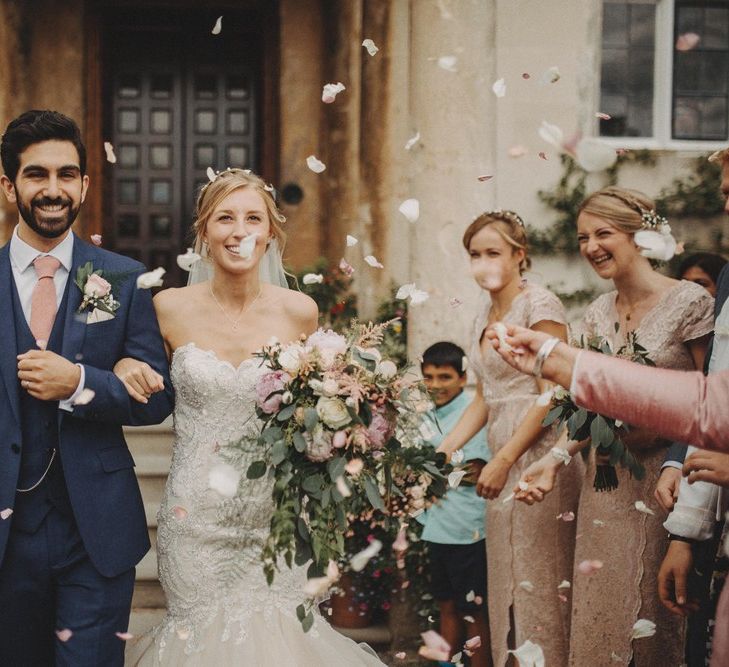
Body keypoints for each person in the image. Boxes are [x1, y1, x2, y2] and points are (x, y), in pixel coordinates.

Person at [120, 168, 384, 665]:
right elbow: (137, 368)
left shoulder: (300, 312)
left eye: (252, 218)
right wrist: (124, 362)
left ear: (269, 234)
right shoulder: (167, 307)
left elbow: (317, 404)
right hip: (195, 515)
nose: (238, 231)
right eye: (224, 218)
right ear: (204, 232)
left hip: (276, 515)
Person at [0, 110, 174, 665]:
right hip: (7, 539)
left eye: (67, 175)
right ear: (9, 186)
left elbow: (159, 399)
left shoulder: (121, 278)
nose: (53, 190)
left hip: (94, 533)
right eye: (36, 175)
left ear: (84, 185)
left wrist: (80, 382)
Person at [528, 186, 714, 666]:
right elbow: (585, 401)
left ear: (641, 236)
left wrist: (666, 443)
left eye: (603, 233)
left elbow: (710, 401)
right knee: (597, 616)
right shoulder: (595, 312)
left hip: (662, 484)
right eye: (583, 237)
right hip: (603, 486)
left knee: (651, 621)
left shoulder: (691, 302)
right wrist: (553, 459)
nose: (591, 246)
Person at [437, 210, 580, 667]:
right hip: (502, 457)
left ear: (520, 255)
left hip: (539, 458)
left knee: (540, 588)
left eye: (493, 252)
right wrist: (442, 452)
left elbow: (554, 393)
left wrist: (503, 461)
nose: (483, 263)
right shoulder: (482, 311)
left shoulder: (540, 306)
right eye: (474, 254)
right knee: (508, 590)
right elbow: (486, 396)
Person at [418, 341, 492, 667]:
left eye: (444, 377)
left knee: (472, 610)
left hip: (467, 528)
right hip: (436, 526)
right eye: (429, 377)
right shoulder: (427, 414)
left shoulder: (470, 412)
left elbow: (477, 473)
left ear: (463, 378)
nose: (435, 385)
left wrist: (424, 471)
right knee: (445, 605)